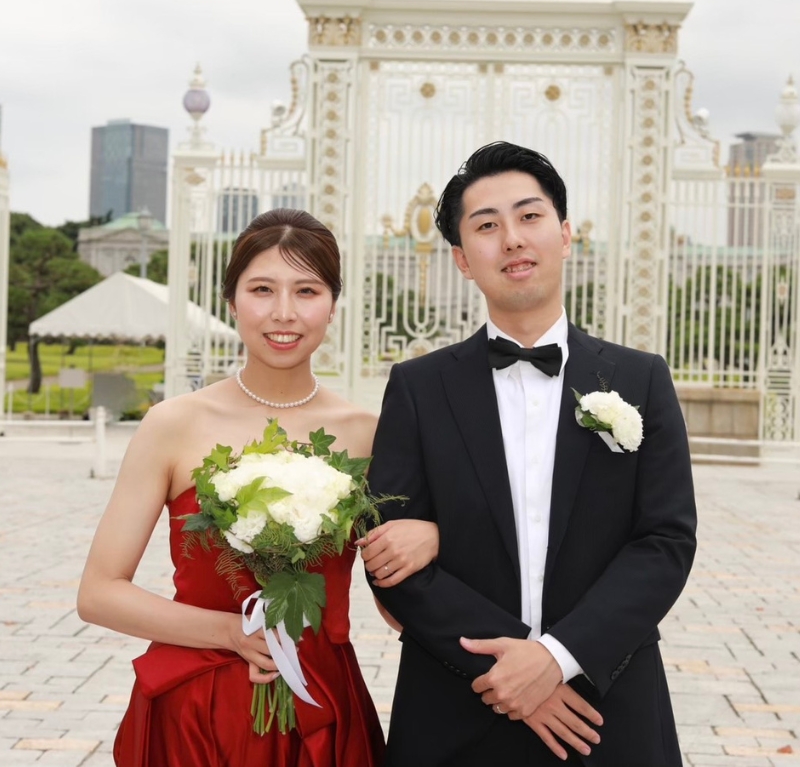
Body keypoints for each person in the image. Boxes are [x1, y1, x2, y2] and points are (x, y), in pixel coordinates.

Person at [366, 142, 698, 766]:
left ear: (565, 235)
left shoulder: (642, 378)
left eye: (529, 216)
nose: (512, 239)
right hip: (455, 707)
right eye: (487, 226)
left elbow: (666, 542)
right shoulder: (418, 387)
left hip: (605, 709)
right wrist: (511, 668)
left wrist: (555, 659)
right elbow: (389, 558)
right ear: (463, 259)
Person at [77, 208, 439, 767]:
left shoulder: (369, 434)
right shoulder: (173, 424)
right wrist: (231, 631)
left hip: (322, 701)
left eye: (307, 291)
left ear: (333, 305)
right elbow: (99, 593)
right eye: (262, 289)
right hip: (199, 708)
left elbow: (396, 608)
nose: (284, 312)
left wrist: (430, 538)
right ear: (231, 300)